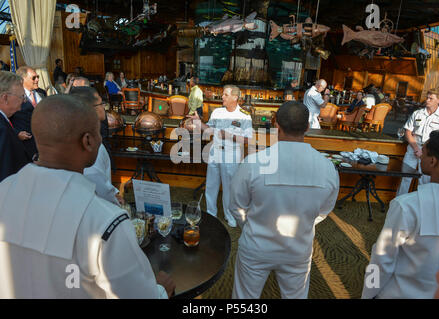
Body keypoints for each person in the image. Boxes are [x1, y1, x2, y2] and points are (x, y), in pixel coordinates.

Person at [0, 94, 175, 298]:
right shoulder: (105, 222)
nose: (101, 138)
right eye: (98, 132)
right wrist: (162, 290)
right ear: (88, 141)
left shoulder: (4, 190)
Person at [229, 101, 340, 299]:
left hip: (256, 246)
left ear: (276, 125)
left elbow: (236, 206)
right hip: (298, 247)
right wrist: (304, 225)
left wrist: (252, 226)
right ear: (307, 127)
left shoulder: (253, 163)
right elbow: (324, 211)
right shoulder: (328, 168)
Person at [362, 131, 439, 299]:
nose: (420, 156)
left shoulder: (407, 206)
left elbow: (381, 258)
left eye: (423, 152)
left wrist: (368, 293)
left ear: (433, 161)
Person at [187, 85, 252, 227]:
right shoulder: (217, 112)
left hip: (232, 155)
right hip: (215, 152)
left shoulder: (244, 116)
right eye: (223, 94)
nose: (222, 97)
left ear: (235, 97)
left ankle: (230, 216)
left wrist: (229, 135)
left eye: (226, 95)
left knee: (229, 188)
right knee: (211, 185)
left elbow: (248, 140)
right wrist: (198, 122)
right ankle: (211, 214)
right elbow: (209, 130)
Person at [69, 86, 121, 206]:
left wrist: (114, 192)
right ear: (91, 109)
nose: (103, 107)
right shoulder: (89, 142)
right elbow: (95, 179)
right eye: (101, 103)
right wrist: (114, 202)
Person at [397, 88, 439, 195]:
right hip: (413, 149)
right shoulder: (417, 114)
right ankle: (398, 203)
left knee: (424, 181)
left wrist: (425, 151)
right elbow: (408, 132)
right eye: (427, 97)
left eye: (431, 98)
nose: (427, 100)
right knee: (405, 178)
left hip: (430, 153)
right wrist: (416, 149)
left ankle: (422, 206)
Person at [0, 71, 30, 182]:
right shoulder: (1, 129)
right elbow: (5, 175)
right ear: (5, 98)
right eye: (22, 96)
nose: (24, 100)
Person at [10, 66, 42, 160]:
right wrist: (16, 134)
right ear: (23, 79)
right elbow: (4, 119)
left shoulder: (41, 93)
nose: (37, 80)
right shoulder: (14, 96)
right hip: (25, 146)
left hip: (42, 144)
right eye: (33, 77)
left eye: (38, 76)